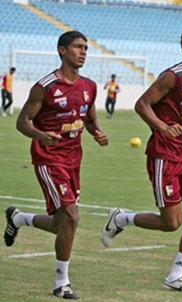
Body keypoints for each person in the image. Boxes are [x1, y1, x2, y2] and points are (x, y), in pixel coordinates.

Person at [100, 24, 182, 294]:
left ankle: (175, 276)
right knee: (171, 222)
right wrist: (162, 127)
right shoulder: (172, 76)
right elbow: (142, 104)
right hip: (165, 155)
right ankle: (121, 219)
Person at [3, 31, 108, 299]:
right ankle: (61, 283)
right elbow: (22, 121)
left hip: (74, 160)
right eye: (77, 47)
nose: (83, 52)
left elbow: (90, 119)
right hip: (49, 159)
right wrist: (40, 135)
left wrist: (97, 132)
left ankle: (19, 218)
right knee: (72, 217)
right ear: (62, 51)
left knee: (61, 223)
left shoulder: (89, 86)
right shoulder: (45, 86)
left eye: (86, 47)